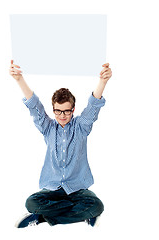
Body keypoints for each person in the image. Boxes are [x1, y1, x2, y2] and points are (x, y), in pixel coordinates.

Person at [9, 60, 112, 227]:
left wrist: (103, 81)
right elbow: (35, 107)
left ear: (73, 109)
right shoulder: (48, 128)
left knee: (97, 205)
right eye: (58, 110)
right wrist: (19, 79)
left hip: (78, 190)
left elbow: (93, 107)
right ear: (53, 109)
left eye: (66, 111)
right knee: (32, 203)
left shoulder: (81, 127)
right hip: (52, 191)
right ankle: (79, 214)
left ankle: (42, 218)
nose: (62, 115)